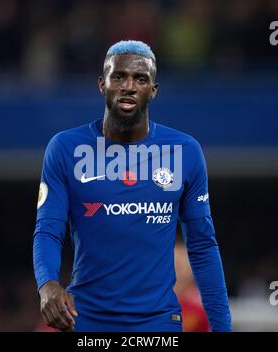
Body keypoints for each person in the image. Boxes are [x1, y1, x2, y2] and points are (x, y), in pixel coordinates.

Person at [33, 40, 232, 332]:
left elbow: (202, 246)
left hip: (158, 325)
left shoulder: (184, 151)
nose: (129, 86)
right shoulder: (65, 148)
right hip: (87, 321)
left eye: (140, 79)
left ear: (153, 90)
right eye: (119, 77)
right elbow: (48, 229)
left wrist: (222, 329)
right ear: (102, 84)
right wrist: (47, 283)